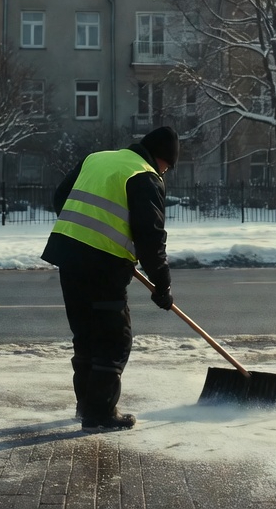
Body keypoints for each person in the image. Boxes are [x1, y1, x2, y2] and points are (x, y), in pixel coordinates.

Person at [42, 126, 179, 432]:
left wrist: (85, 231)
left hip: (68, 255)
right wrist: (162, 284)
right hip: (103, 266)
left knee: (86, 335)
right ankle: (100, 414)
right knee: (113, 339)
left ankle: (86, 405)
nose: (166, 172)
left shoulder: (97, 158)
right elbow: (151, 237)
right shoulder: (145, 175)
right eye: (168, 166)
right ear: (161, 158)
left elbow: (60, 197)